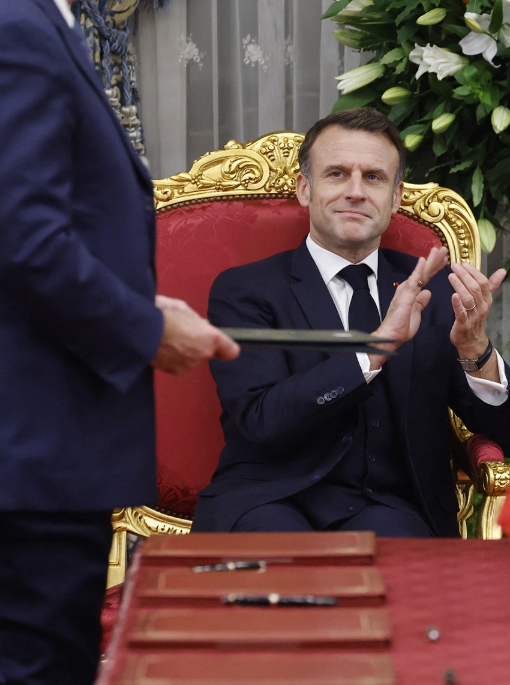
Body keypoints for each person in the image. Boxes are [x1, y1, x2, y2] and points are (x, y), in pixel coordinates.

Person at [0, 0, 240, 682]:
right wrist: (145, 328)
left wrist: (137, 304)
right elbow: (22, 237)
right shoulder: (18, 27)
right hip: (34, 452)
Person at [190, 108, 510, 538]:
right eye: (336, 174)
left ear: (395, 197)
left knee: (397, 572)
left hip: (392, 508)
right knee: (279, 568)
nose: (355, 191)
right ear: (304, 189)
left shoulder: (437, 290)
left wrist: (476, 351)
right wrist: (376, 350)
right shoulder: (246, 290)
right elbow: (262, 421)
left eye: (373, 177)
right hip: (270, 499)